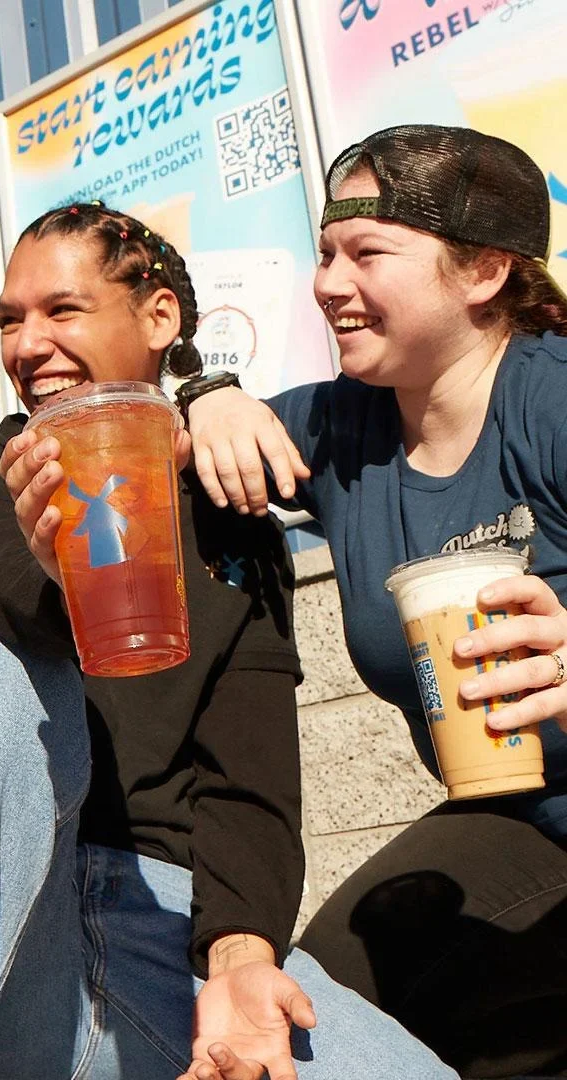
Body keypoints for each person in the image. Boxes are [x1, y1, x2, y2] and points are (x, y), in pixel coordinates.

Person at [0, 200, 460, 1080]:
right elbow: (15, 602)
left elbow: (245, 779)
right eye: (10, 321)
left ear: (159, 318)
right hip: (1, 914)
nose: (28, 345)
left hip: (166, 927)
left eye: (62, 311)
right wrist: (59, 567)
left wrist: (241, 962)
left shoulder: (234, 526)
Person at [183, 124, 567, 1078]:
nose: (327, 283)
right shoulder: (345, 430)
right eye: (322, 253)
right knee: (334, 1009)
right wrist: (207, 396)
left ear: (481, 270)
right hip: (517, 822)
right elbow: (160, 439)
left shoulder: (551, 400)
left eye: (366, 253)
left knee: (332, 1009)